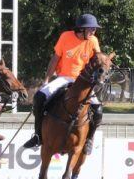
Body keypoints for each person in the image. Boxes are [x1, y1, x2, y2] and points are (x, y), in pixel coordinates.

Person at [23, 13, 103, 154]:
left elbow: (98, 59)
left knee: (98, 110)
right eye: (91, 29)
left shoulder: (93, 41)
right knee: (39, 97)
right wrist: (46, 80)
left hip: (83, 80)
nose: (93, 32)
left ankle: (89, 139)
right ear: (81, 29)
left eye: (94, 29)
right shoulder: (66, 36)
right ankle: (37, 135)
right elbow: (55, 58)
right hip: (64, 77)